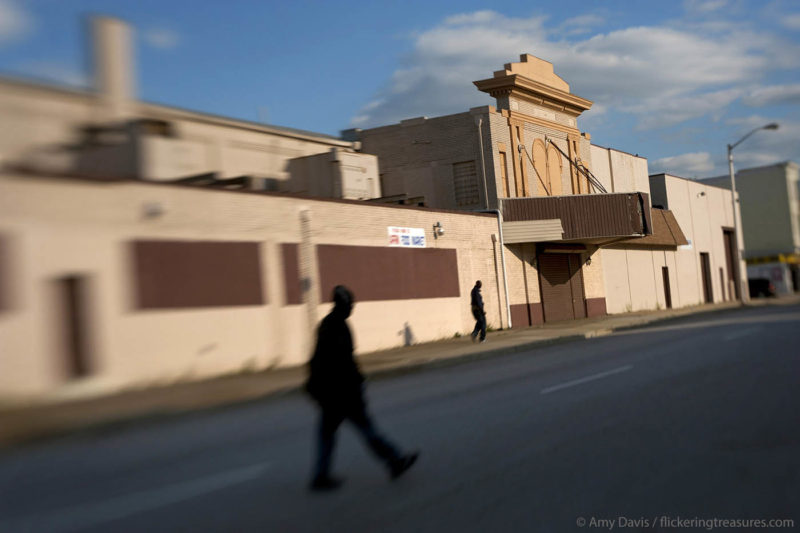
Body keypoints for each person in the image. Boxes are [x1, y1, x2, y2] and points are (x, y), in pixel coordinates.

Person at [305, 285, 419, 491]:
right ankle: (394, 461)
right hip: (342, 393)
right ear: (344, 305)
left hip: (331, 393)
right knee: (367, 431)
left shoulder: (329, 324)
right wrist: (357, 386)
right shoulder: (337, 326)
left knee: (328, 434)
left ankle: (321, 476)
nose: (352, 308)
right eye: (350, 304)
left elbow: (320, 360)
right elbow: (343, 363)